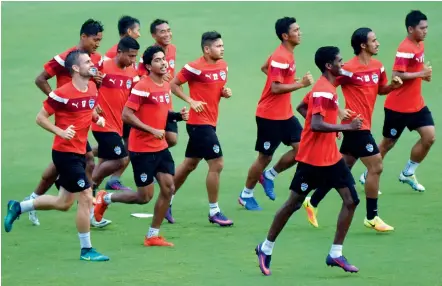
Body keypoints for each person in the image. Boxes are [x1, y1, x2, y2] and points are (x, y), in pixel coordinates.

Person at [255, 46, 362, 276]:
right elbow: (315, 123)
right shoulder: (324, 91)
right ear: (328, 66)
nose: (343, 64)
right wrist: (345, 127)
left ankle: (335, 253)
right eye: (340, 61)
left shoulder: (325, 89)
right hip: (312, 161)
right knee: (292, 204)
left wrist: (332, 127)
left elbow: (302, 106)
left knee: (351, 200)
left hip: (331, 158)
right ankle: (265, 248)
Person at [4, 50, 109, 261]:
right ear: (76, 68)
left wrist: (97, 119)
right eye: (87, 62)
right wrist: (60, 131)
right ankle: (86, 250)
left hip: (79, 151)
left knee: (63, 203)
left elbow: (88, 109)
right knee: (87, 195)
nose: (92, 63)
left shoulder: (91, 87)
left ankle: (19, 206)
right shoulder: (61, 93)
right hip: (64, 153)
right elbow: (40, 118)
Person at [302, 28, 402, 232]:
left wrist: (392, 85)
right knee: (376, 166)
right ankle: (372, 217)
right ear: (363, 45)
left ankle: (312, 201)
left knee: (342, 169)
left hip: (360, 126)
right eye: (374, 40)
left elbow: (380, 89)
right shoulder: (347, 69)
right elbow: (326, 87)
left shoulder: (378, 67)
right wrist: (338, 111)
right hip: (356, 126)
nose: (378, 43)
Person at [93, 46, 188, 247]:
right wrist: (151, 130)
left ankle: (152, 235)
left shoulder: (164, 85)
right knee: (144, 197)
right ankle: (106, 198)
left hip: (160, 147)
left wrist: (178, 116)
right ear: (147, 66)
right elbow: (126, 115)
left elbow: (161, 113)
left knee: (169, 187)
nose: (163, 63)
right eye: (157, 60)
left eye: (163, 59)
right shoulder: (142, 86)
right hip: (142, 149)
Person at [25, 19, 110, 228]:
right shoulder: (64, 58)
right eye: (94, 39)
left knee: (59, 168)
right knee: (86, 161)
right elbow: (40, 79)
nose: (97, 44)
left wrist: (93, 96)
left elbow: (89, 88)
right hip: (67, 121)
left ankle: (31, 201)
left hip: (79, 119)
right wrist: (58, 100)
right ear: (83, 37)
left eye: (100, 40)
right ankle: (87, 210)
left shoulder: (92, 60)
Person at [239, 17, 313, 210]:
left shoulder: (285, 54)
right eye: (296, 30)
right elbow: (275, 89)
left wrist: (287, 80)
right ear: (285, 36)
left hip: (285, 114)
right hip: (269, 116)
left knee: (302, 149)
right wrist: (300, 84)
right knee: (264, 157)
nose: (300, 32)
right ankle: (246, 194)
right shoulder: (281, 57)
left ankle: (269, 176)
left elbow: (265, 68)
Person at [360, 10, 434, 192]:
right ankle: (367, 175)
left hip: (416, 104)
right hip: (398, 107)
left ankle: (408, 173)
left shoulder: (419, 44)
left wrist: (422, 74)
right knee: (387, 144)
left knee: (429, 137)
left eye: (427, 27)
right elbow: (396, 75)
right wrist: (420, 73)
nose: (426, 31)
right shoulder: (405, 48)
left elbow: (413, 69)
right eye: (422, 28)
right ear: (411, 29)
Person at [168, 31, 233, 226]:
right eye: (218, 46)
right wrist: (190, 100)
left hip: (210, 122)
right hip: (198, 123)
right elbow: (173, 84)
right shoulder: (194, 67)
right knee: (217, 163)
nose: (222, 49)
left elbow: (215, 88)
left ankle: (166, 202)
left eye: (222, 45)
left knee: (189, 165)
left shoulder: (223, 66)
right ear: (207, 49)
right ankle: (214, 211)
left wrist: (224, 92)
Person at [91, 37, 140, 197]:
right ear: (119, 52)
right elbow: (85, 85)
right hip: (102, 123)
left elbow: (137, 95)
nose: (133, 60)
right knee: (121, 159)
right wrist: (93, 101)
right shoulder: (102, 66)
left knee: (104, 158)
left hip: (118, 124)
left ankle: (88, 193)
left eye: (135, 56)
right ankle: (88, 186)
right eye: (130, 56)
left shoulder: (132, 72)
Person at [138, 19, 181, 149]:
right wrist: (159, 77)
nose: (167, 34)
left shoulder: (172, 49)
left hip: (167, 99)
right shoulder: (149, 55)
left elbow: (171, 74)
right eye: (162, 32)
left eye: (168, 30)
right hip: (153, 101)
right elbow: (139, 76)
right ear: (154, 36)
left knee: (172, 139)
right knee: (159, 137)